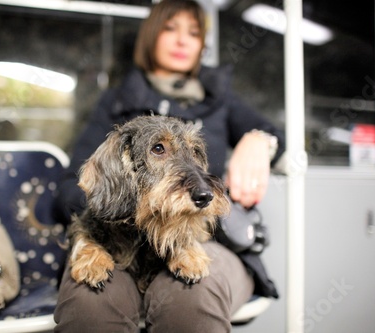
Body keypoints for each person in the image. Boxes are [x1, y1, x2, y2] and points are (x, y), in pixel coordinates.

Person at [53, 1, 285, 332]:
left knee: (189, 300)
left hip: (206, 241)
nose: (182, 41)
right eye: (170, 29)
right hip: (119, 240)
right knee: (90, 303)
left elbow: (278, 134)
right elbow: (67, 189)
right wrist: (128, 205)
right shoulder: (117, 103)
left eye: (193, 33)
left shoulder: (218, 100)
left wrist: (259, 140)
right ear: (150, 37)